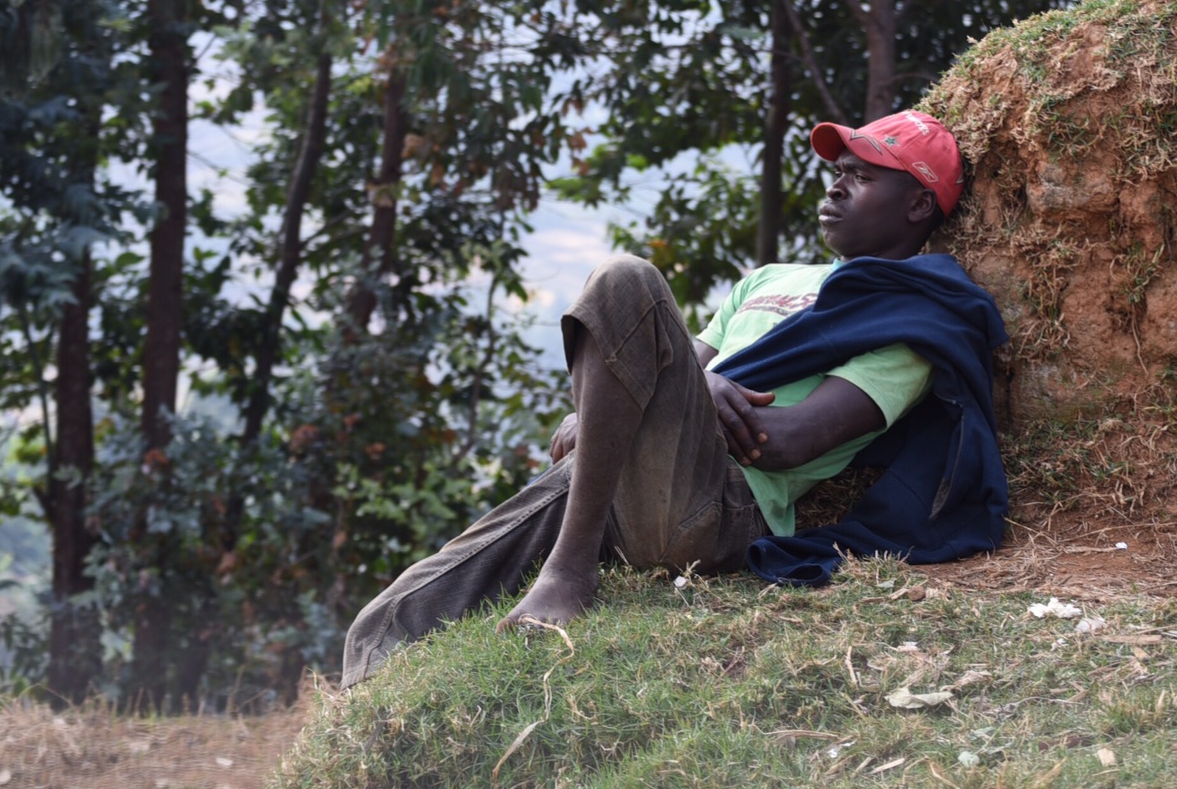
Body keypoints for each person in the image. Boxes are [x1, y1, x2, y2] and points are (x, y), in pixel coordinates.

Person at [340, 110, 1008, 688]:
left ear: (919, 206)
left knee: (624, 278)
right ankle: (367, 717)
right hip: (617, 489)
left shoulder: (911, 321)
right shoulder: (769, 279)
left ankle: (568, 574)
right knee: (386, 620)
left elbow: (792, 440)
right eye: (836, 170)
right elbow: (678, 367)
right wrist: (676, 388)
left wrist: (694, 388)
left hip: (717, 508)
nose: (836, 184)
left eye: (863, 176)